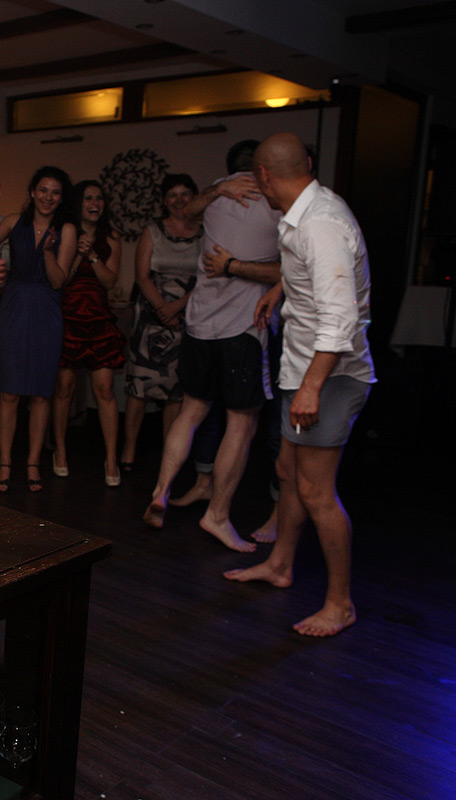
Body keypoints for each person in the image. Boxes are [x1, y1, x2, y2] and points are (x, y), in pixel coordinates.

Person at [224, 132, 375, 637]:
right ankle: (280, 564)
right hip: (304, 368)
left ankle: (340, 604)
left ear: (264, 176)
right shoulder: (305, 215)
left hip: (329, 375)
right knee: (287, 471)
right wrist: (280, 288)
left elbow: (340, 319)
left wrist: (311, 388)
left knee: (315, 491)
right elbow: (314, 274)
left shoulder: (321, 223)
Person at [141, 140, 281, 552]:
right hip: (242, 328)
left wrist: (217, 190)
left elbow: (187, 211)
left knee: (192, 411)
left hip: (200, 325)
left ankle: (161, 491)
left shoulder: (215, 195)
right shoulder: (272, 200)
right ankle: (217, 515)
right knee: (241, 422)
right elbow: (291, 268)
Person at [0, 166, 76, 493]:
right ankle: (5, 462)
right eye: (43, 190)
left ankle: (33, 463)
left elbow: (59, 280)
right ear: (33, 192)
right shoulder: (13, 222)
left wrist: (48, 251)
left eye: (55, 192)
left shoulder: (66, 229)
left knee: (40, 393)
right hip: (14, 306)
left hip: (47, 309)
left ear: (61, 198)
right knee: (8, 391)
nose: (48, 197)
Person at [120, 174, 203, 471]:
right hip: (150, 318)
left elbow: (206, 278)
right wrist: (162, 308)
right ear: (164, 201)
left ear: (194, 197)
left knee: (175, 391)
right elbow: (141, 276)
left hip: (187, 317)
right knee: (139, 388)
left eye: (185, 193)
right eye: (173, 195)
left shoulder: (206, 234)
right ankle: (128, 450)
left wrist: (177, 308)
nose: (179, 200)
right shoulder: (152, 231)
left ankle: (170, 454)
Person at [51, 180, 126, 486]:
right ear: (78, 203)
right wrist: (78, 254)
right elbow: (61, 280)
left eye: (99, 198)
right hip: (68, 318)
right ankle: (60, 451)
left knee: (105, 390)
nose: (95, 204)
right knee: (64, 389)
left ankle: (111, 459)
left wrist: (92, 255)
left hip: (98, 320)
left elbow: (110, 281)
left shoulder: (112, 238)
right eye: (89, 198)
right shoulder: (65, 233)